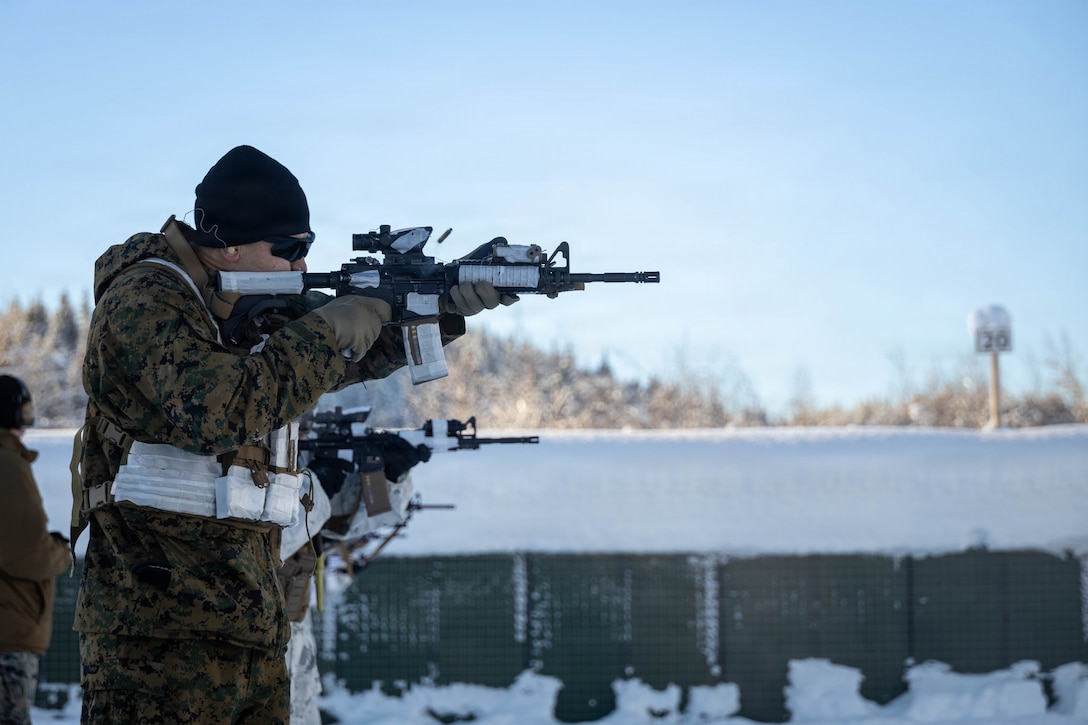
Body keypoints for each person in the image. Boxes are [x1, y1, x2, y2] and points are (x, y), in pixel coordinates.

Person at [72, 144, 509, 724]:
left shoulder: (244, 303)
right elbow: (218, 407)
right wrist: (327, 331)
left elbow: (346, 357)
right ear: (229, 243)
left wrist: (442, 308)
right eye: (289, 249)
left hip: (250, 625)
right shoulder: (144, 299)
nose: (302, 265)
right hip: (157, 639)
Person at [0, 374, 72, 724]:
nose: (26, 427)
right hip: (8, 635)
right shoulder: (7, 465)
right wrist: (62, 551)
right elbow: (28, 555)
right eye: (22, 415)